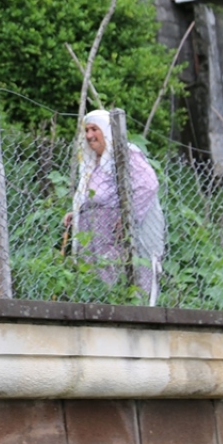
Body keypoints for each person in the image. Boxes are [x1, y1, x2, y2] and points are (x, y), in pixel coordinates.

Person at [64, 108, 166, 303]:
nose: (89, 135)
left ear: (106, 130)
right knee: (93, 283)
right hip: (93, 236)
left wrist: (128, 218)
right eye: (86, 130)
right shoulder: (92, 162)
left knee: (119, 277)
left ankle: (136, 312)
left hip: (114, 234)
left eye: (95, 129)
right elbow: (95, 196)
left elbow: (148, 185)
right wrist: (76, 213)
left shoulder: (123, 153)